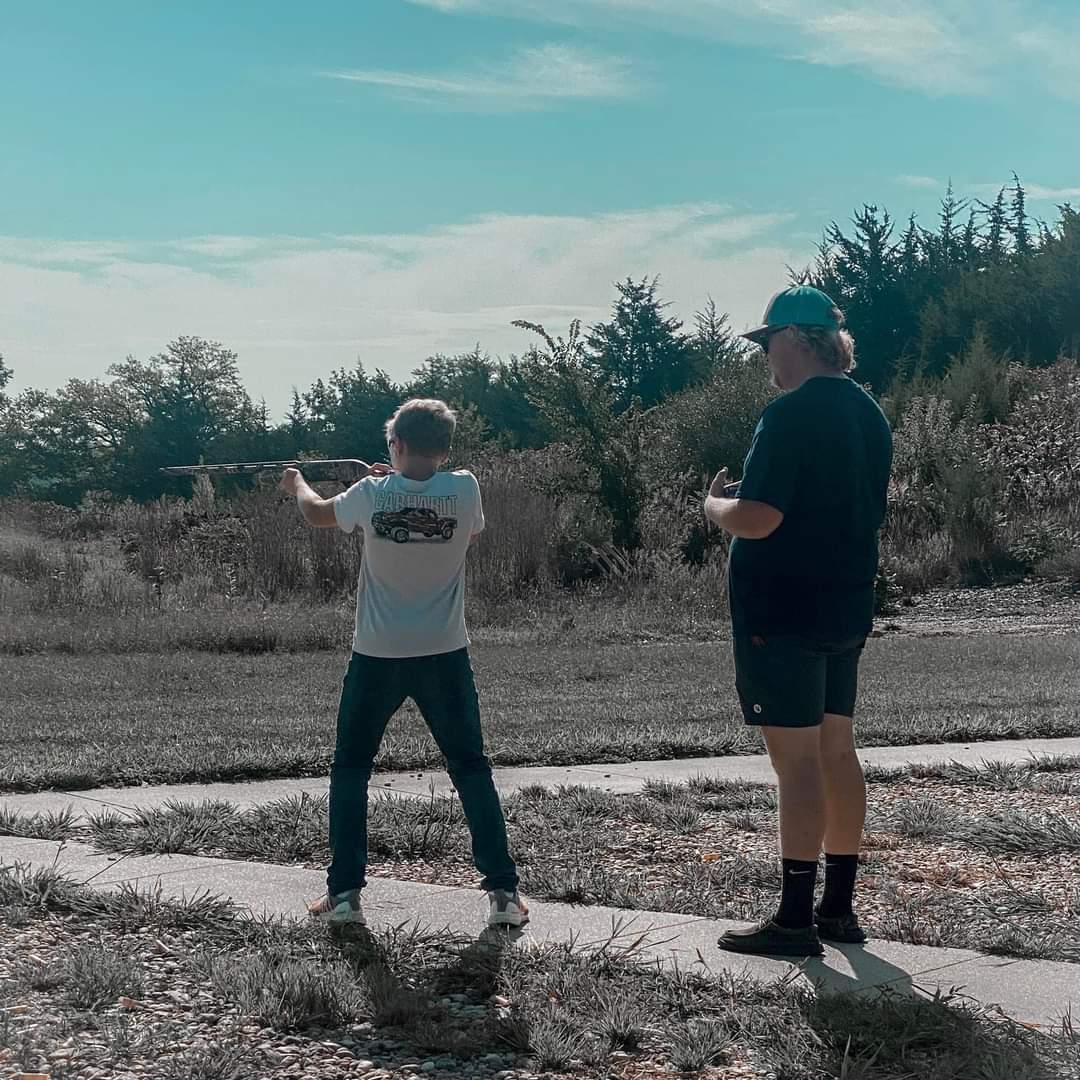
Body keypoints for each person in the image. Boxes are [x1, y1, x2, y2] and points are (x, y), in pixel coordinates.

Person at [279, 398, 527, 929]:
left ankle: (344, 894)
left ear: (396, 443)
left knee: (351, 771)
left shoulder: (370, 494)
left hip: (377, 654)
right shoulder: (465, 488)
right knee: (470, 769)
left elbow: (318, 514)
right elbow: (468, 528)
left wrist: (297, 483)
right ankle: (503, 895)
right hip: (445, 652)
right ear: (443, 447)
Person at [703, 286, 892, 957]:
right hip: (845, 603)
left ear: (797, 338)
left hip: (780, 611)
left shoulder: (789, 415)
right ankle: (837, 910)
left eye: (767, 343)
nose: (764, 358)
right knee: (838, 751)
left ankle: (793, 919)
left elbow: (760, 516)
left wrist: (714, 506)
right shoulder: (868, 412)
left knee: (797, 764)